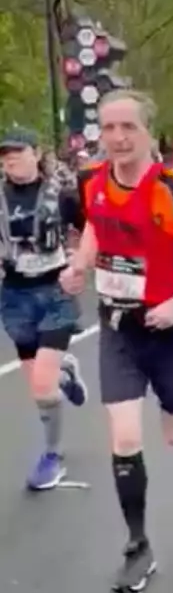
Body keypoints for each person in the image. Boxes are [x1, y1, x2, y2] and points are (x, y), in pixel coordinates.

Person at [61, 89, 173, 593]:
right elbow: (94, 224)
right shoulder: (90, 181)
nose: (116, 137)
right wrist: (79, 266)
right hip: (119, 326)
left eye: (127, 128)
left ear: (145, 131)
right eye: (108, 127)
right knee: (125, 436)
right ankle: (138, 547)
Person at [1, 127, 89, 490]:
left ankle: (52, 456)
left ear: (36, 154)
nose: (9, 160)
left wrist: (79, 263)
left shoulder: (62, 194)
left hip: (55, 291)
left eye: (17, 153)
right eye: (4, 155)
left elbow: (93, 229)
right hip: (14, 296)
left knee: (41, 387)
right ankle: (65, 371)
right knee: (42, 387)